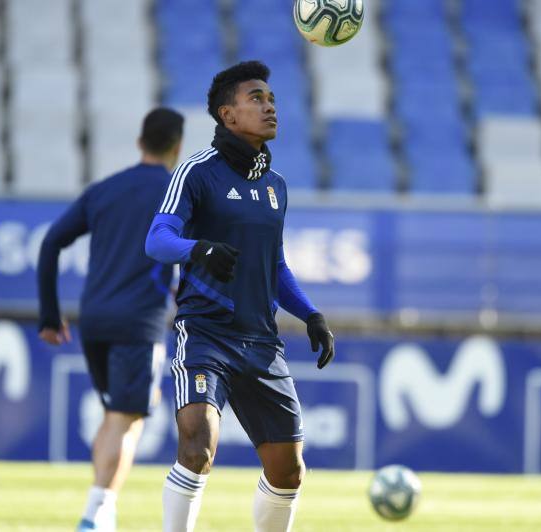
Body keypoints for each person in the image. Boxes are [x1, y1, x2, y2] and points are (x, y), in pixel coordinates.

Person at [145, 61, 335, 532]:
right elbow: (157, 239)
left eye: (272, 99)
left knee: (288, 471)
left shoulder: (276, 186)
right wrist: (198, 249)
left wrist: (310, 314)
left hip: (262, 342)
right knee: (197, 447)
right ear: (228, 116)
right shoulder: (195, 173)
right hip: (206, 334)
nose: (270, 106)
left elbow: (275, 266)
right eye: (257, 98)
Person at [37, 108, 184, 532]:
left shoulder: (104, 190)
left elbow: (51, 243)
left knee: (114, 414)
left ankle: (103, 508)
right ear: (176, 147)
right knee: (126, 418)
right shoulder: (178, 191)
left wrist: (49, 313)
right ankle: (96, 514)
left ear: (140, 142)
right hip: (139, 322)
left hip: (94, 320)